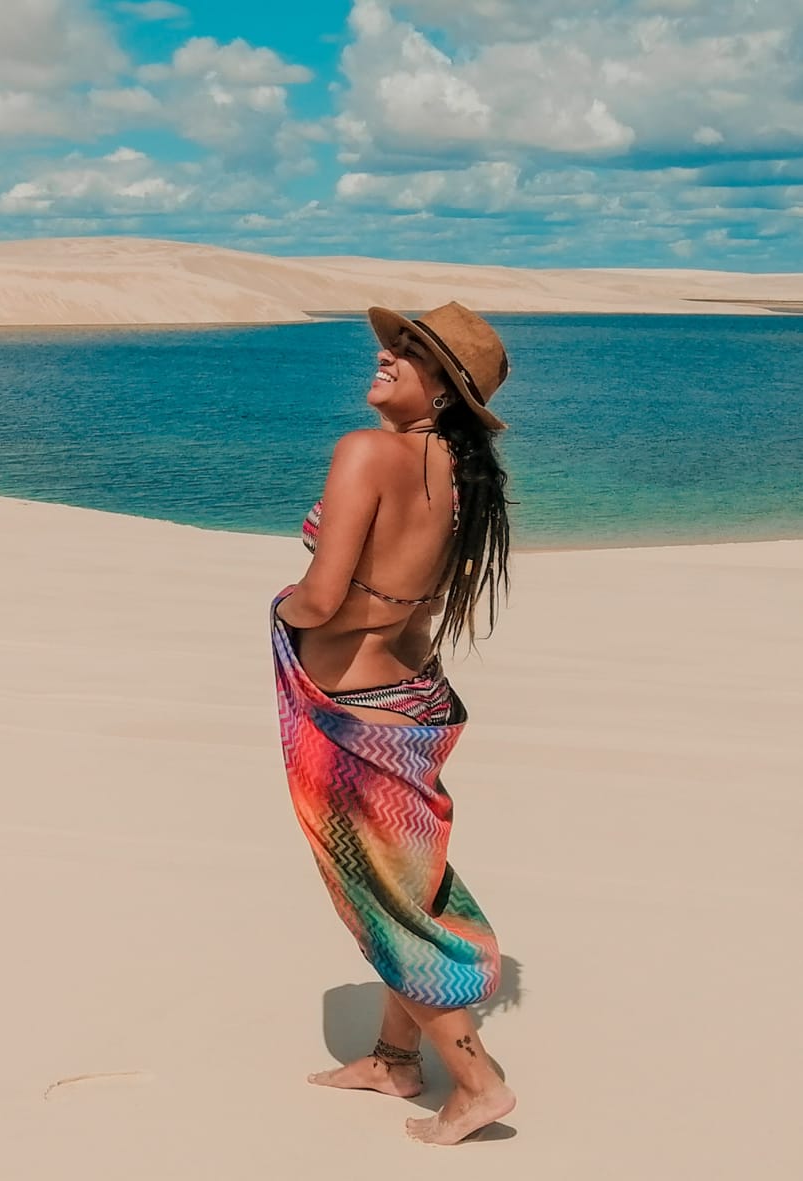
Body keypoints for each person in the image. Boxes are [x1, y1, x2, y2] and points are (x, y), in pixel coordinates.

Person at [271, 301, 516, 1145]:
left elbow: (325, 596)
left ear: (445, 389)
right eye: (394, 342)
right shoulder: (462, 472)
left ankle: (477, 1081)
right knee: (407, 884)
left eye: (410, 352)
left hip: (353, 718)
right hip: (414, 698)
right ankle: (393, 1057)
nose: (386, 353)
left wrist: (285, 612)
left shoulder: (365, 451)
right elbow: (418, 595)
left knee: (386, 904)